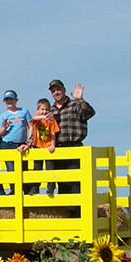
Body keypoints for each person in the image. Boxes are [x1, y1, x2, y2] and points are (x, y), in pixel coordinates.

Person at [48, 80, 96, 216]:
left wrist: (81, 100)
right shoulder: (50, 110)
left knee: (75, 182)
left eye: (58, 90)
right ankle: (67, 217)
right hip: (58, 149)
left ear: (64, 89)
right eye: (53, 91)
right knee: (63, 184)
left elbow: (89, 113)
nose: (56, 93)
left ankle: (77, 216)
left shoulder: (75, 104)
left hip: (74, 146)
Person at [0, 90, 34, 195]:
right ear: (4, 102)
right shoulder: (3, 115)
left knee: (24, 169)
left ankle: (27, 192)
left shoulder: (24, 111)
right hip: (8, 144)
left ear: (16, 100)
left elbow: (31, 127)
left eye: (11, 99)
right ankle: (14, 191)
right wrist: (4, 127)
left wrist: (28, 143)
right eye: (7, 99)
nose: (9, 101)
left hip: (21, 144)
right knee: (11, 169)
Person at [28, 98, 60, 196]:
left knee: (50, 167)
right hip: (38, 146)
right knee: (37, 167)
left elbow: (53, 133)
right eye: (42, 110)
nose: (44, 112)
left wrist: (53, 145)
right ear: (38, 110)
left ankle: (50, 186)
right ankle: (35, 187)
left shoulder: (51, 120)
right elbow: (33, 118)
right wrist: (43, 118)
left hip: (48, 146)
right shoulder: (37, 117)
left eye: (46, 110)